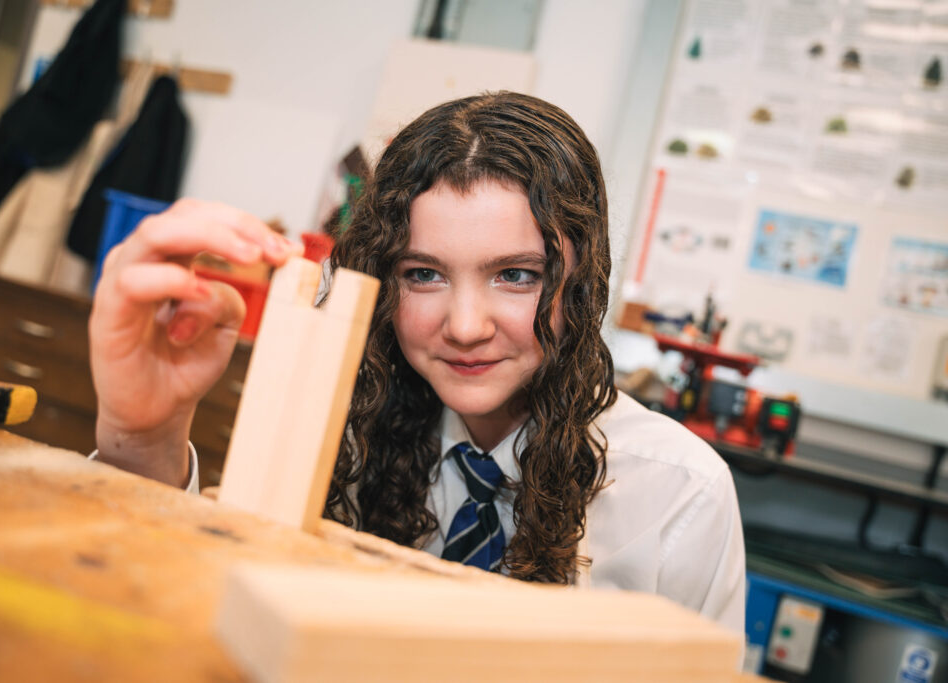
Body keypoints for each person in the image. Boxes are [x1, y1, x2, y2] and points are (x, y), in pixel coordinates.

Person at [89, 92, 745, 633]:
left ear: (583, 279)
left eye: (516, 274)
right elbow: (199, 616)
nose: (465, 326)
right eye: (424, 274)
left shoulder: (680, 495)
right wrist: (144, 435)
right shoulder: (339, 431)